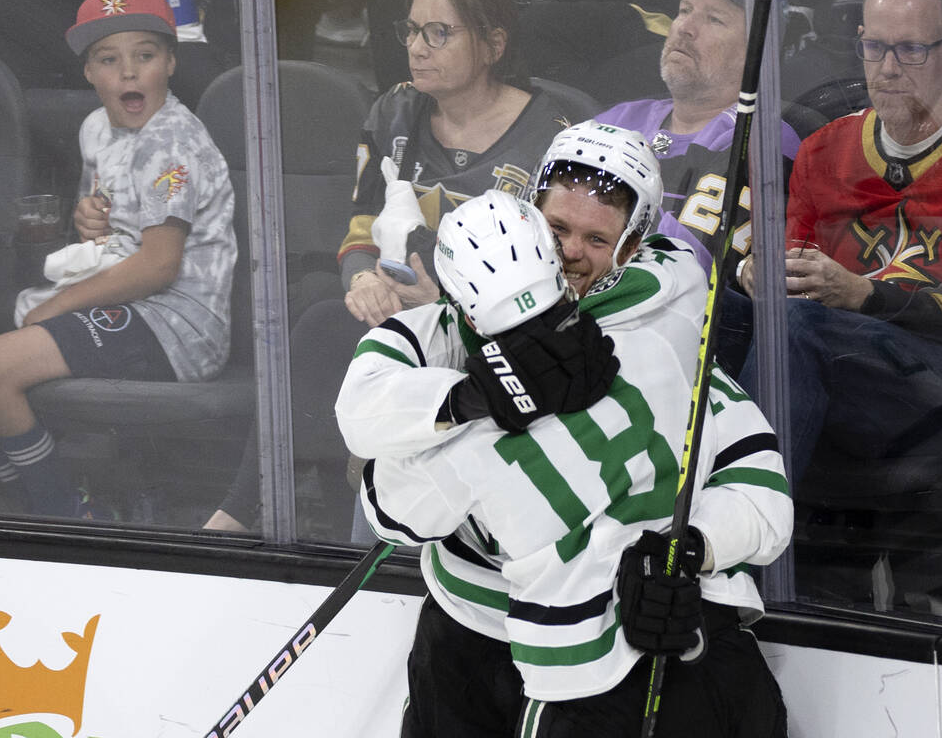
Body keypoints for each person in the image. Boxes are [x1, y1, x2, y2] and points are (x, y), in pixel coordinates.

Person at [338, 121, 792, 736]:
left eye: (596, 238)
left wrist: (688, 551)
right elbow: (378, 462)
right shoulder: (449, 329)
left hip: (617, 656)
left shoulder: (664, 343)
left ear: (632, 246)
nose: (571, 251)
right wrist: (468, 398)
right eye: (556, 229)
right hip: (466, 637)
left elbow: (761, 492)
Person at [204, 0, 594, 532]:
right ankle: (262, 512)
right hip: (397, 315)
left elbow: (573, 271)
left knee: (339, 339)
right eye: (410, 31)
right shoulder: (394, 111)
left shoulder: (556, 135)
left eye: (439, 32)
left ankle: (286, 516)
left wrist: (443, 304)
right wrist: (362, 282)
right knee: (323, 318)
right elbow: (362, 224)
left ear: (492, 44)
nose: (417, 47)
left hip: (500, 338)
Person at [737, 0, 942, 504]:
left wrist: (865, 295)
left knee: (793, 328)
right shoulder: (823, 148)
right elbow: (794, 276)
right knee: (729, 317)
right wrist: (758, 271)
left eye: (910, 49)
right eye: (874, 46)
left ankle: (744, 523)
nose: (887, 68)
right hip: (842, 368)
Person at [0, 0, 236, 517]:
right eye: (108, 59)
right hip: (125, 302)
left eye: (144, 56)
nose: (127, 72)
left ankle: (59, 509)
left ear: (170, 63)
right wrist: (90, 219)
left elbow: (157, 264)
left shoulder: (172, 143)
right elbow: (108, 226)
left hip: (179, 325)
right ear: (88, 72)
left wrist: (56, 306)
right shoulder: (95, 129)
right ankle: (25, 492)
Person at [596, 0, 803, 270]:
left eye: (714, 19)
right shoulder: (619, 119)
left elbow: (675, 272)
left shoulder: (761, 141)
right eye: (684, 10)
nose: (684, 27)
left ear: (758, 53)